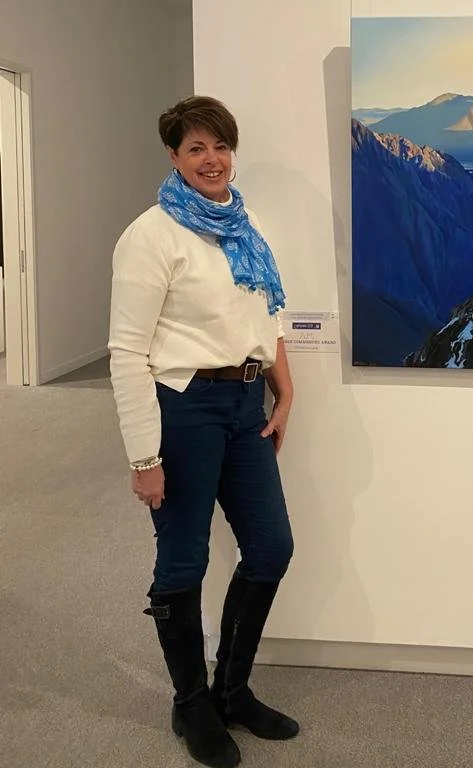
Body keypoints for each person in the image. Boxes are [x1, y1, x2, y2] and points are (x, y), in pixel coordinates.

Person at [108, 96, 297, 768]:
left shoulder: (243, 228)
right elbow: (127, 352)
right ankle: (191, 704)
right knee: (183, 558)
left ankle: (232, 689)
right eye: (196, 149)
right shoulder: (151, 236)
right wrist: (143, 456)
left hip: (246, 404)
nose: (212, 160)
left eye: (219, 146)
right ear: (174, 158)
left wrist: (285, 387)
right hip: (183, 407)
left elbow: (267, 314)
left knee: (272, 547)